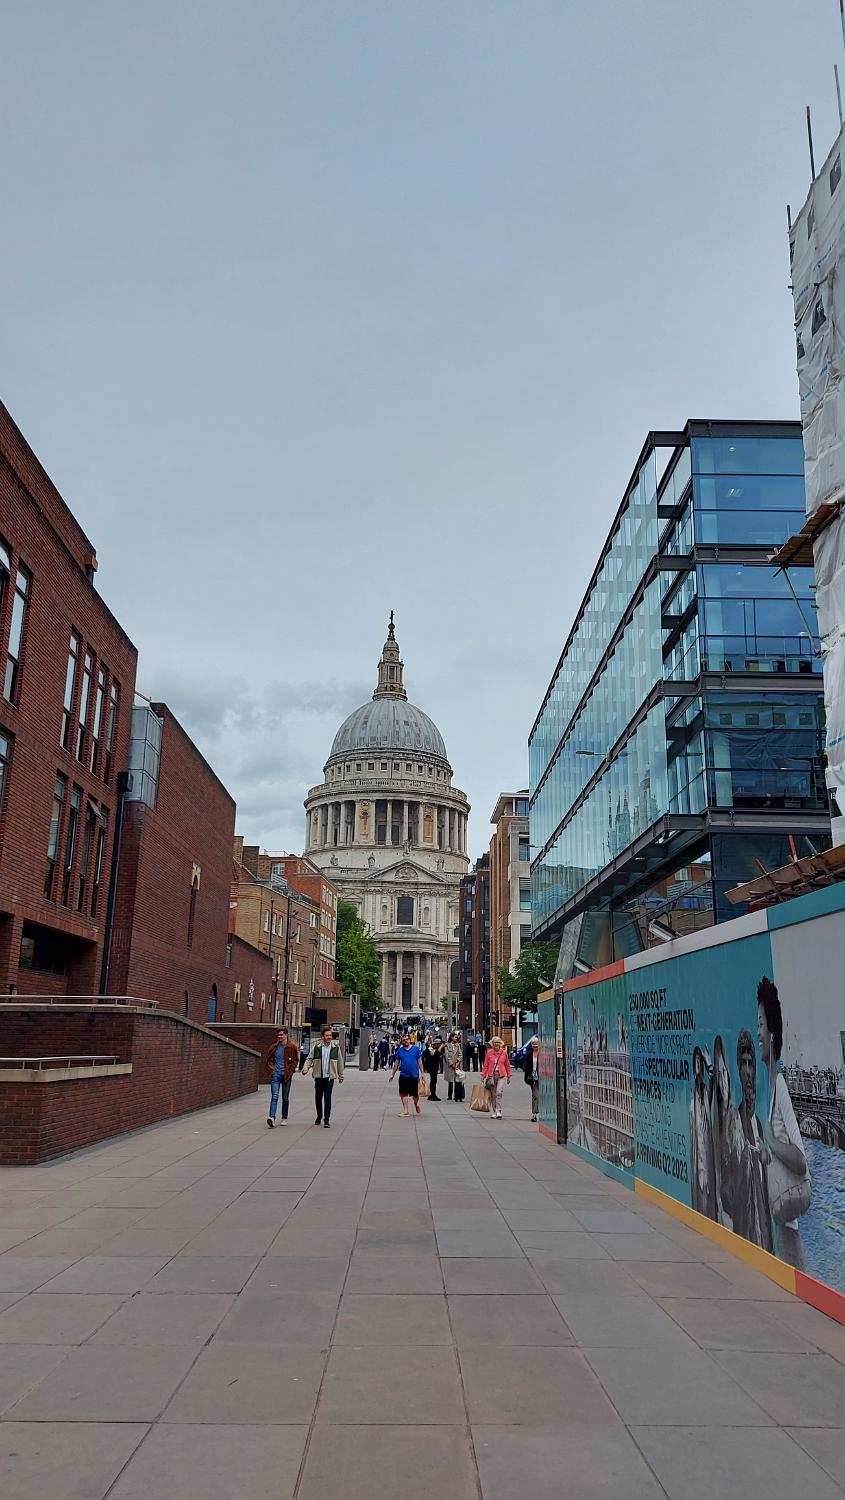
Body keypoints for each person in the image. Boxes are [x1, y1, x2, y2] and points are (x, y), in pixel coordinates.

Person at [758, 976, 809, 1270]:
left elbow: (800, 1160)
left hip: (789, 1223)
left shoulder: (781, 1087)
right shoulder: (772, 1089)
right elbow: (778, 1152)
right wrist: (765, 1153)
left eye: (761, 1025)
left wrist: (771, 1141)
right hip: (781, 1216)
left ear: (772, 1035)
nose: (758, 1032)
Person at [733, 1027, 773, 1252]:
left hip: (764, 1232)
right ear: (739, 1071)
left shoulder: (757, 1123)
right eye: (744, 1064)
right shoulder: (735, 1122)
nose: (748, 1072)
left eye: (751, 1065)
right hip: (747, 1231)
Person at [689, 1045, 717, 1219]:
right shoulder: (692, 1097)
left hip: (706, 1155)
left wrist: (709, 1064)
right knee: (698, 1199)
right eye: (697, 1064)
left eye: (700, 1064)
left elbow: (713, 1078)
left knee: (708, 1196)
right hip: (696, 1158)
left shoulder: (706, 1092)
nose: (698, 1070)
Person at [303, 1025, 344, 1127]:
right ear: (322, 1037)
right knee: (318, 1099)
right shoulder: (317, 1048)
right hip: (318, 1077)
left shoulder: (335, 1048)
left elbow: (340, 1062)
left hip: (329, 1078)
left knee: (327, 1098)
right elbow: (309, 1058)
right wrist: (305, 1068)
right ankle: (319, 1116)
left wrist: (341, 1075)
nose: (329, 1037)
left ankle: (326, 1119)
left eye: (330, 1035)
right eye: (327, 1035)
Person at [263, 1028, 299, 1128]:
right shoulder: (274, 1047)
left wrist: (291, 1071)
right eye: (278, 1035)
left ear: (286, 1035)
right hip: (276, 1075)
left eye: (281, 1035)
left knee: (285, 1098)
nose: (279, 1036)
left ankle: (284, 1117)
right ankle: (272, 1117)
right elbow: (269, 1060)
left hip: (286, 1075)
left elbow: (295, 1060)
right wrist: (272, 1070)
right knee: (274, 1096)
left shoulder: (292, 1047)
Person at [391, 1031, 424, 1116]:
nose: (406, 1041)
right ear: (401, 1042)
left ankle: (416, 1104)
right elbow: (396, 1063)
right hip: (404, 1075)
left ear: (410, 1040)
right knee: (403, 1093)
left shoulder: (416, 1049)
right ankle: (405, 1110)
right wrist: (393, 1074)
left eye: (407, 1039)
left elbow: (420, 1062)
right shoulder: (400, 1051)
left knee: (415, 1094)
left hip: (414, 1075)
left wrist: (422, 1073)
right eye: (404, 1040)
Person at [481, 1035, 511, 1118]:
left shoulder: (504, 1053)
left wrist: (509, 1076)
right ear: (492, 1044)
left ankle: (499, 1111)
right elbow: (486, 1065)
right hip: (491, 1075)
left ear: (500, 1043)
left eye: (498, 1042)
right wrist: (483, 1075)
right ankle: (495, 1111)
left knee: (499, 1092)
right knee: (493, 1094)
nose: (496, 1044)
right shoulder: (489, 1053)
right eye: (495, 1042)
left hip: (501, 1075)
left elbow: (507, 1065)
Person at [522, 1035, 540, 1121]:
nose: (535, 1045)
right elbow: (526, 1066)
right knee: (535, 1095)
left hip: (542, 1077)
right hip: (533, 1078)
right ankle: (534, 1114)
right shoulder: (529, 1055)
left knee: (541, 1096)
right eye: (533, 1044)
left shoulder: (543, 1054)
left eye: (536, 1044)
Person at [443, 1032, 463, 1100]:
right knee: (450, 1081)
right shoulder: (447, 1045)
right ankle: (449, 1095)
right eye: (455, 1037)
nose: (456, 1038)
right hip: (450, 1066)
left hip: (457, 1065)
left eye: (457, 1037)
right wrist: (451, 1064)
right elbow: (447, 1055)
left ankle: (456, 1096)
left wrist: (458, 1061)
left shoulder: (458, 1045)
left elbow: (460, 1054)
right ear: (451, 1037)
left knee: (457, 1081)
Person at [424, 1035, 444, 1101]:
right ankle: (433, 1095)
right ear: (436, 1044)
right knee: (433, 1081)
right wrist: (440, 1048)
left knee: (433, 1081)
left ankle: (431, 1095)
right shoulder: (431, 1049)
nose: (440, 1046)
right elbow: (435, 1055)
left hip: (433, 1067)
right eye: (439, 1044)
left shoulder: (431, 1049)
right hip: (432, 1067)